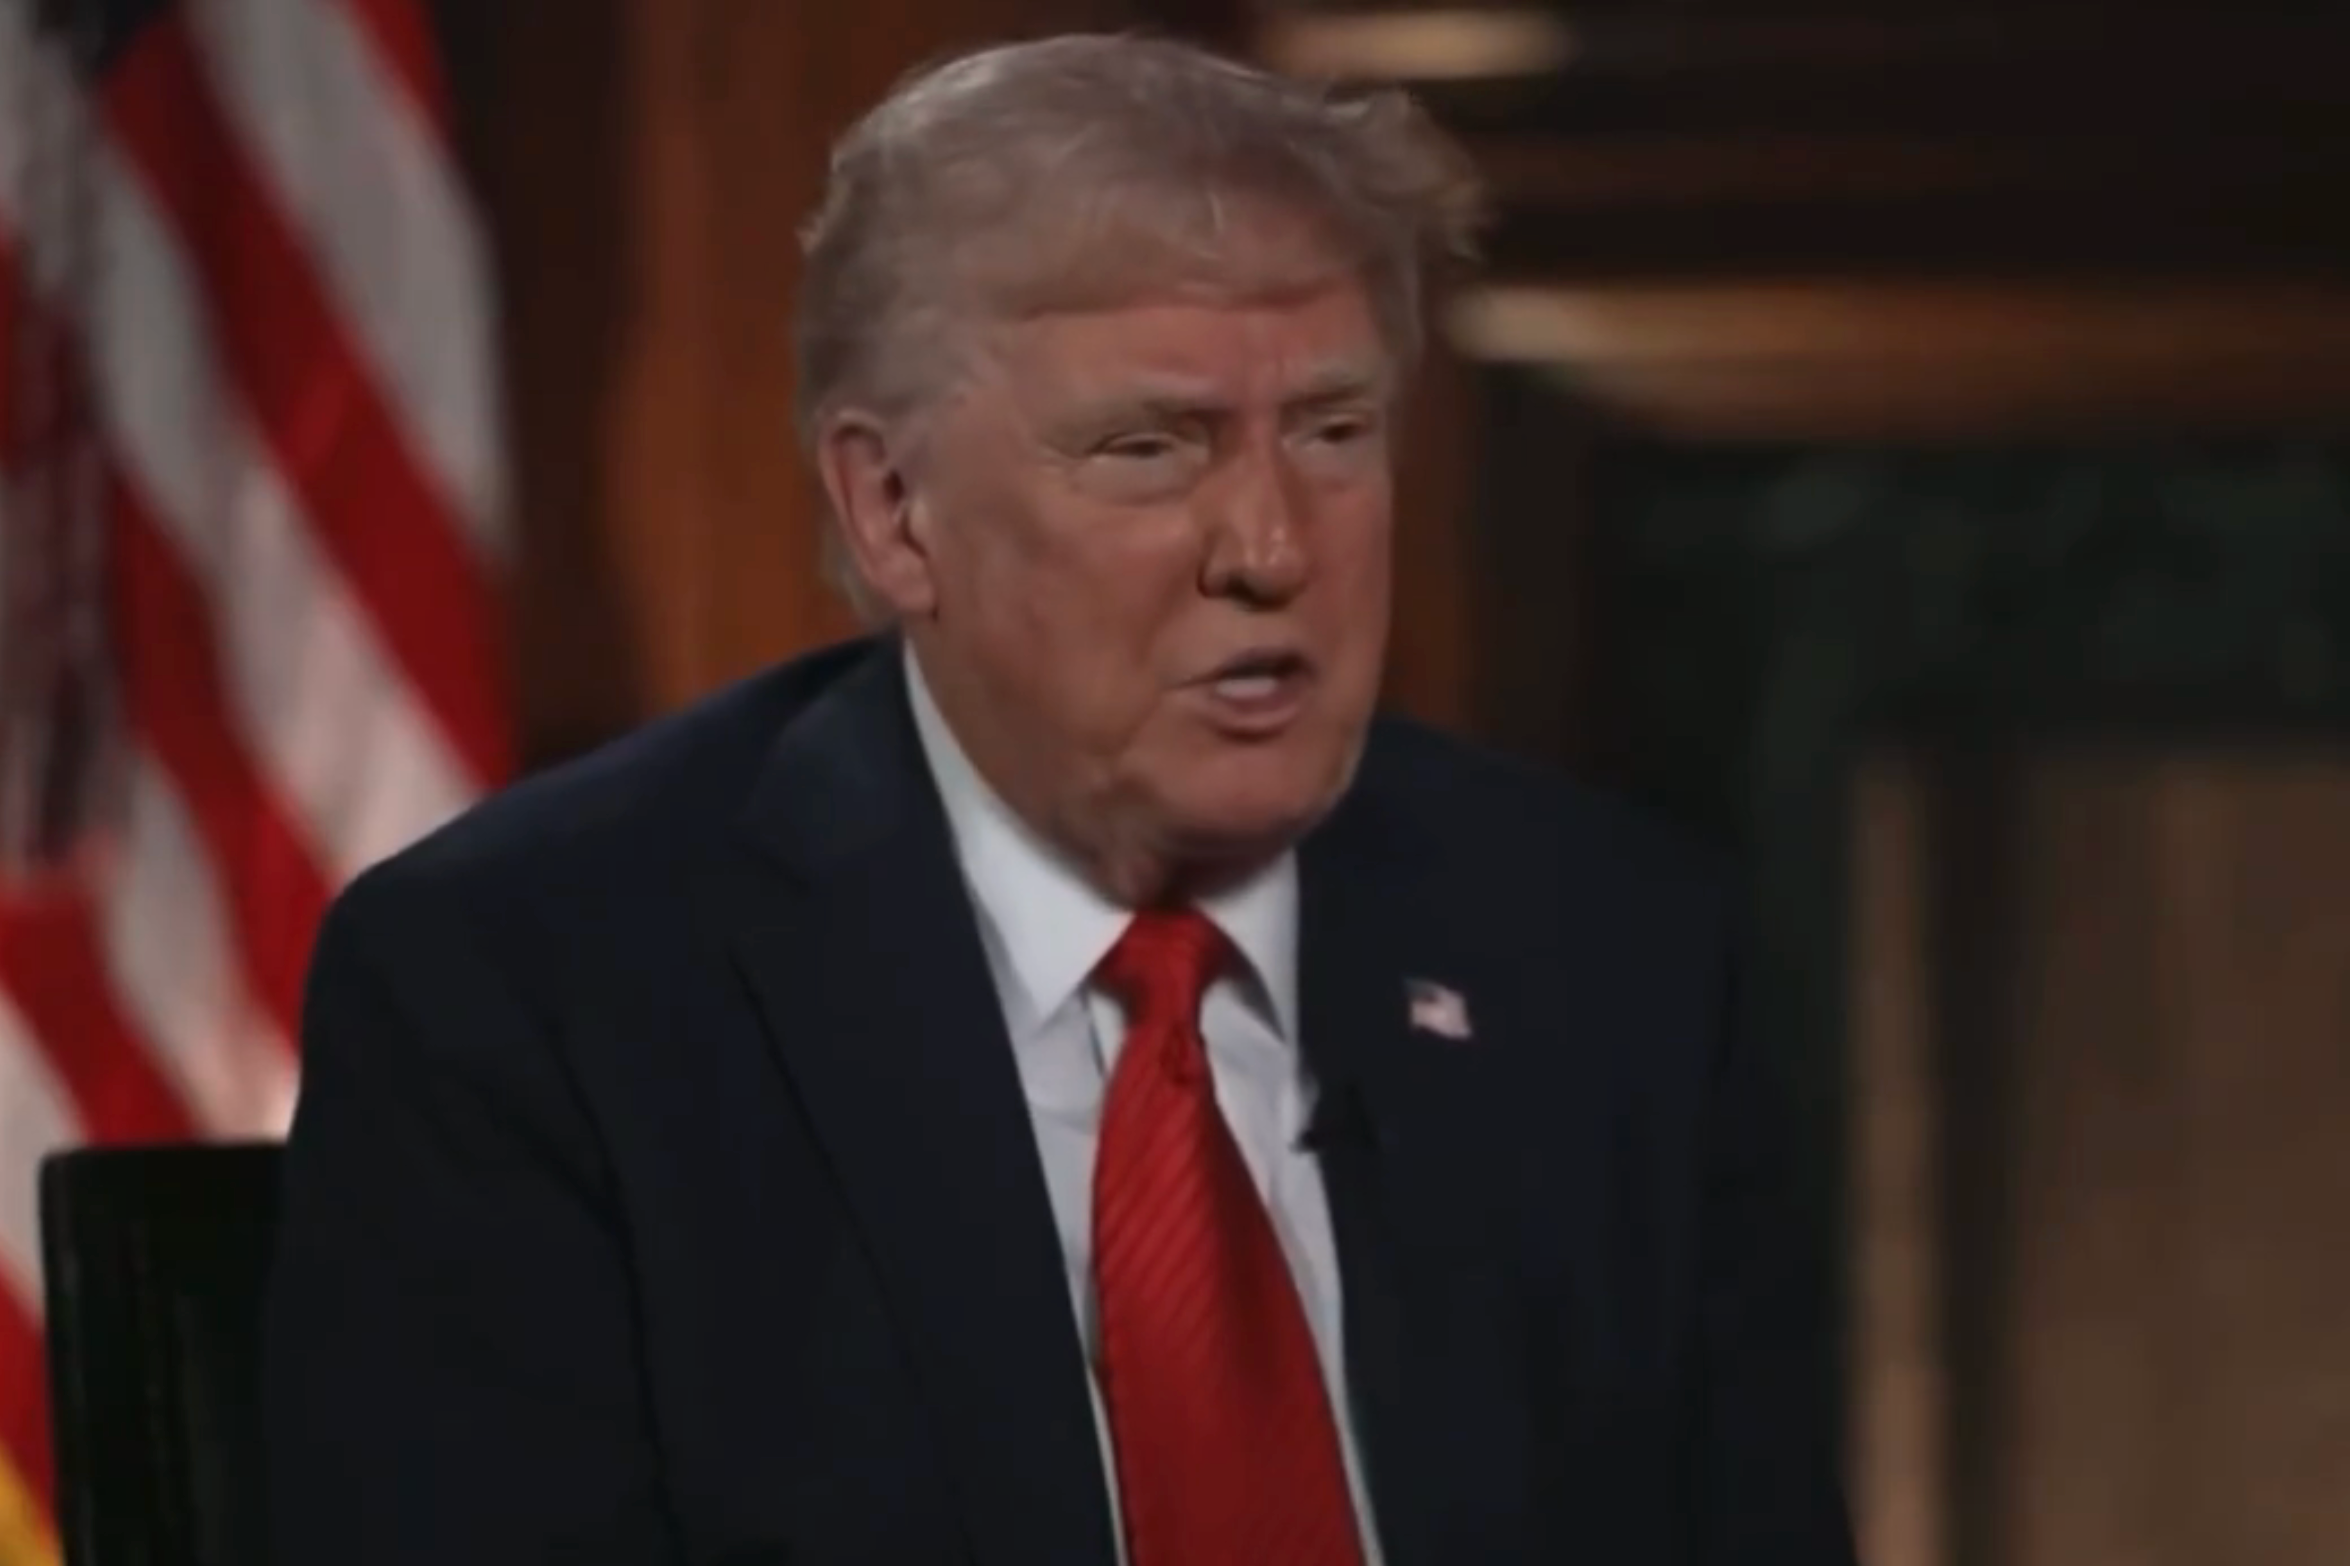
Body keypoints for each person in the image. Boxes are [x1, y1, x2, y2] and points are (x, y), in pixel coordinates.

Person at [263, 32, 1856, 1566]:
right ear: (893, 511)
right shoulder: (538, 993)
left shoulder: (1608, 953)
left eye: (1332, 430)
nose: (1272, 546)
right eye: (1152, 446)